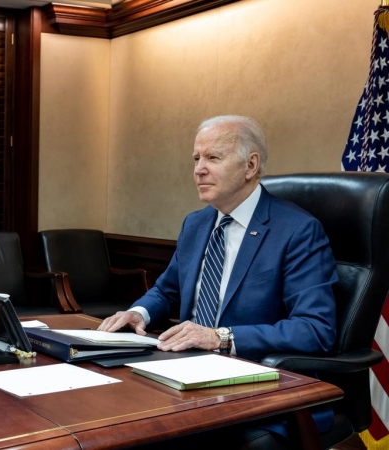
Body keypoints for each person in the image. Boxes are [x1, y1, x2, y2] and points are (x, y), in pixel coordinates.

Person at [99, 116, 337, 447]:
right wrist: (139, 313)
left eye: (213, 158)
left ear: (250, 165)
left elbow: (315, 329)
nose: (199, 169)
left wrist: (220, 337)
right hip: (184, 373)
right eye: (197, 158)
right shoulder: (196, 224)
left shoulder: (297, 231)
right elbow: (167, 289)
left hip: (257, 386)